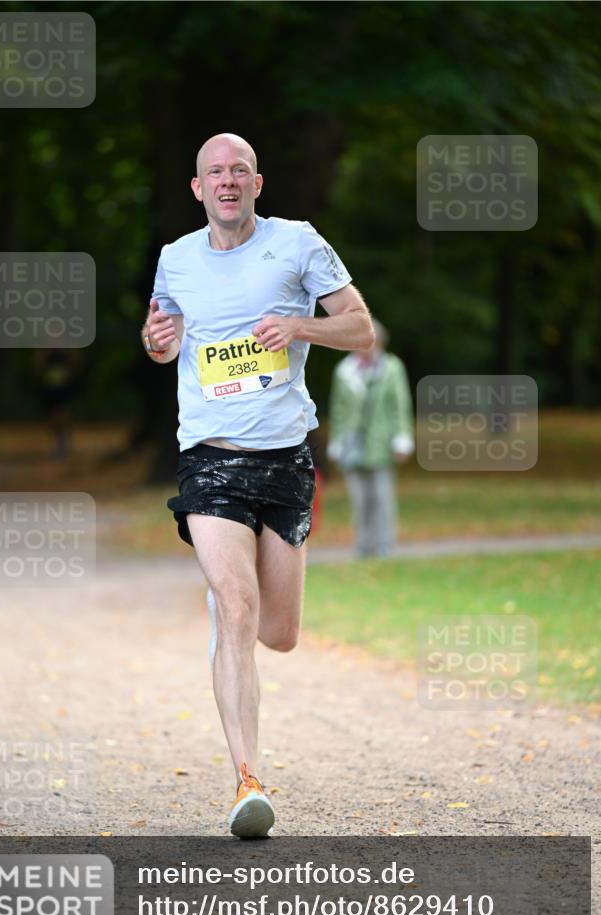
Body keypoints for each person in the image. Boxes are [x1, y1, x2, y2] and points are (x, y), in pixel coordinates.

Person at [141, 133, 373, 838]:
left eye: (239, 170)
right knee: (236, 609)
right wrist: (157, 342)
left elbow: (360, 329)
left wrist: (297, 325)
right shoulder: (175, 258)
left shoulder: (298, 244)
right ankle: (247, 781)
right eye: (215, 172)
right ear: (197, 188)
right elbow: (163, 340)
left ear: (257, 183)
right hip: (208, 457)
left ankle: (236, 612)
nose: (227, 181)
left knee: (279, 633)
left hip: (284, 461)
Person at [327, 318, 414, 557]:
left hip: (381, 444)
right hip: (352, 445)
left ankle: (385, 546)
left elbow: (400, 405)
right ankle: (363, 546)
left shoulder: (392, 368)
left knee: (382, 498)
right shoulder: (344, 371)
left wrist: (402, 438)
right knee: (359, 500)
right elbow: (338, 409)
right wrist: (336, 442)